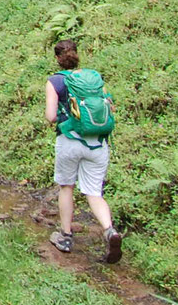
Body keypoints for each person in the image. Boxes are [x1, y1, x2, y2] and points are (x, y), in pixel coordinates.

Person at [46, 39, 123, 262]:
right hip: (97, 143)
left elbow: (51, 116)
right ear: (78, 55)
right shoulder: (94, 78)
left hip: (69, 141)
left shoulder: (55, 81)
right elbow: (111, 107)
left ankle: (66, 236)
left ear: (57, 59)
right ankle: (110, 231)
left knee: (67, 187)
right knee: (94, 192)